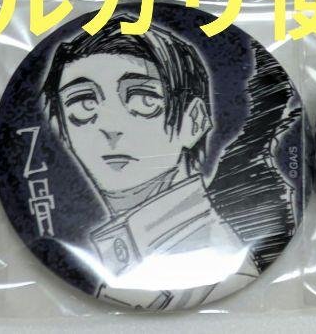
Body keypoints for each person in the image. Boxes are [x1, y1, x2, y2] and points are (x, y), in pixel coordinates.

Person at [41, 24, 259, 308]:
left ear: (194, 121)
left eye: (144, 100)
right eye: (83, 104)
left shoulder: (219, 271)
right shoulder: (120, 257)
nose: (110, 127)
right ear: (63, 130)